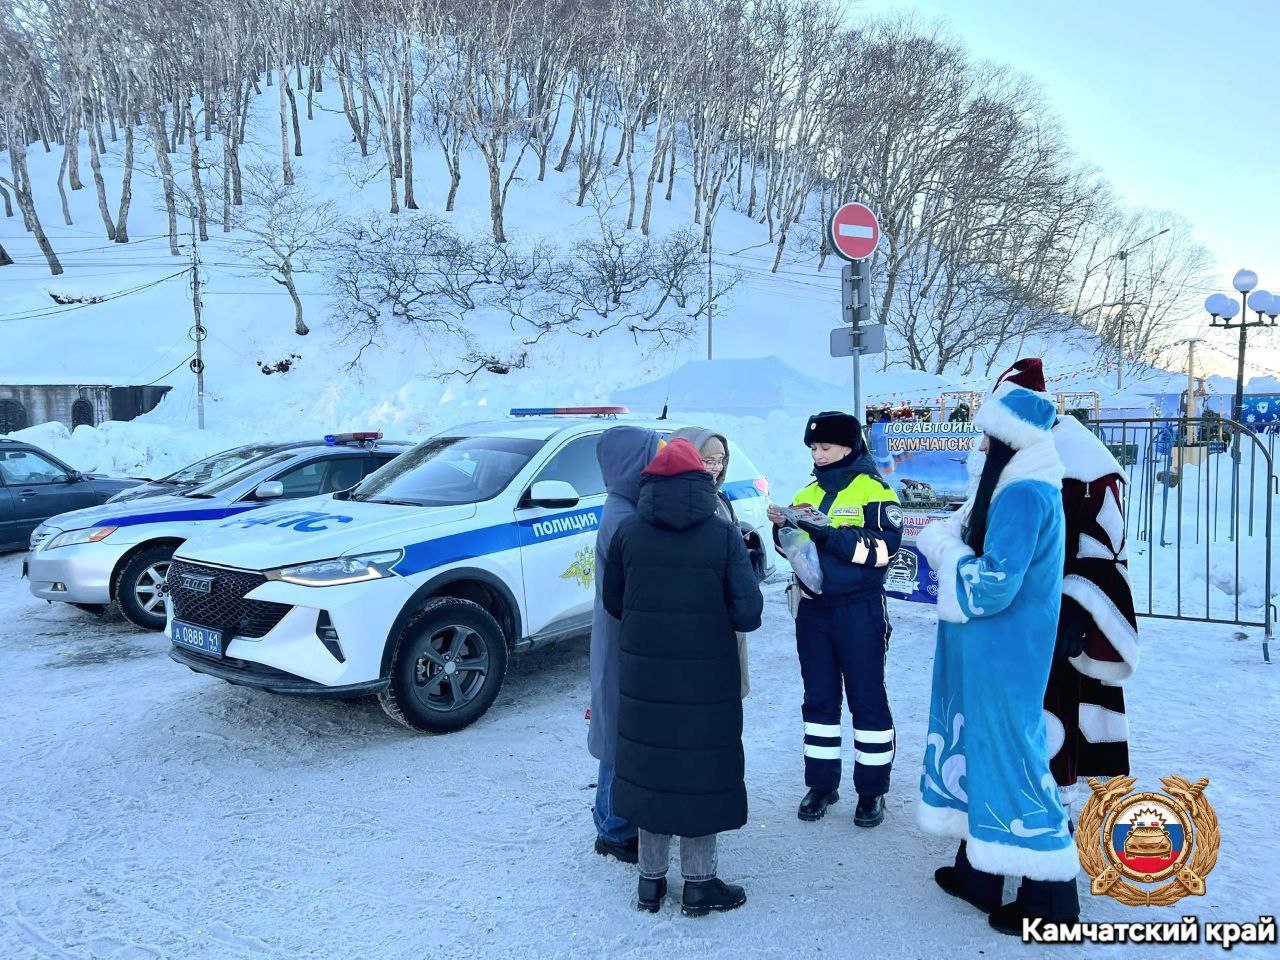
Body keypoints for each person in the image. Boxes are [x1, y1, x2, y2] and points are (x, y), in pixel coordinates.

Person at [916, 381, 1079, 936]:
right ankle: (979, 873)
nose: (979, 446)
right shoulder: (1013, 486)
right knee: (977, 747)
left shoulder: (1023, 494)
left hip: (1006, 649)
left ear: (1011, 440)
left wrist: (944, 549)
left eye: (988, 436)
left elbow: (993, 585)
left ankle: (1051, 900)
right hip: (989, 648)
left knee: (1012, 756)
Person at [604, 438, 763, 916]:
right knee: (699, 771)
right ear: (701, 480)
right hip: (707, 680)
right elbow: (749, 613)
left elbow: (614, 602)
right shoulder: (722, 535)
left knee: (651, 770)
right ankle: (699, 885)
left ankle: (649, 884)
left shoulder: (628, 533)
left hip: (645, 679)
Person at [994, 360, 1139, 809]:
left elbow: (1104, 544)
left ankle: (1052, 812)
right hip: (1012, 613)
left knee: (1057, 709)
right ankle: (1013, 802)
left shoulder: (1084, 463)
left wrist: (1076, 612)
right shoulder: (1015, 454)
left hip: (1058, 612)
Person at [767, 411, 902, 828]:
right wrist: (784, 529)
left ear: (849, 446)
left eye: (826, 447)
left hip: (859, 609)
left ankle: (872, 791)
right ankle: (822, 784)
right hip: (813, 610)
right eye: (813, 448)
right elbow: (794, 550)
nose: (818, 455)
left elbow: (884, 551)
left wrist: (828, 533)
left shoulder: (876, 490)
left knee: (867, 698)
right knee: (819, 698)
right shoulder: (807, 491)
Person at [588, 426, 661, 864]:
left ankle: (615, 820)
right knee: (618, 730)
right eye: (653, 454)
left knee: (621, 725)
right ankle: (613, 828)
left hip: (619, 635)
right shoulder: (623, 517)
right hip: (621, 638)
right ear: (635, 463)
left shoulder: (625, 506)